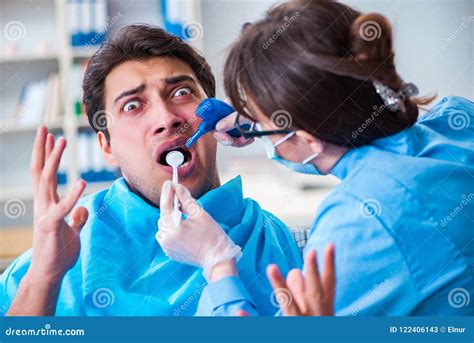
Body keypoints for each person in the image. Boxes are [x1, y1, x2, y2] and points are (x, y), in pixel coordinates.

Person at [156, 0, 474, 316]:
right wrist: (259, 122)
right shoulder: (456, 117)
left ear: (306, 138)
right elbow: (352, 147)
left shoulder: (356, 224)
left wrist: (216, 262)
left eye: (263, 124)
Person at [0, 24, 303, 316]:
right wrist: (45, 278)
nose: (166, 118)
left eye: (181, 92)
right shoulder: (59, 251)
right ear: (106, 147)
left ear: (215, 115)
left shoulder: (286, 249)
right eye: (132, 106)